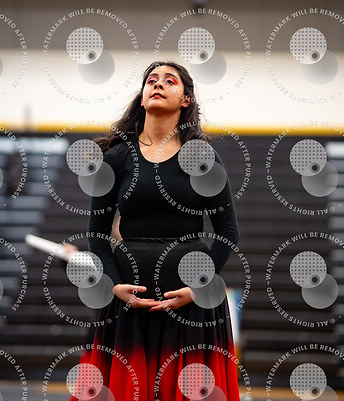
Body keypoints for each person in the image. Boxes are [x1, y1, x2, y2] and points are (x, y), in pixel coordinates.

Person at [69, 61, 241, 401]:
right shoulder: (117, 157)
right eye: (151, 80)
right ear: (143, 95)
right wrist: (114, 285)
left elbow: (227, 231)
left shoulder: (202, 157)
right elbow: (97, 231)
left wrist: (198, 289)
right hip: (129, 299)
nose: (158, 84)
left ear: (186, 100)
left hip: (190, 298)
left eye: (169, 81)